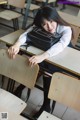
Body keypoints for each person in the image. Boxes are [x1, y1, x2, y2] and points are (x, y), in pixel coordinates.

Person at [8, 6, 74, 118]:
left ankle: (46, 105)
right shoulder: (39, 25)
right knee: (31, 63)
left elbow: (61, 45)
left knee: (46, 71)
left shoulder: (65, 28)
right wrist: (17, 44)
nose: (49, 27)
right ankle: (21, 86)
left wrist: (42, 56)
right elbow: (26, 33)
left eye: (51, 22)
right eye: (44, 24)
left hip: (61, 57)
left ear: (56, 18)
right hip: (46, 51)